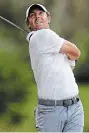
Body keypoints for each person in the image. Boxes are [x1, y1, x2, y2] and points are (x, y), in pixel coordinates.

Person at [25, 4, 84, 132]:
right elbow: (76, 52)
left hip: (75, 107)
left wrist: (62, 49)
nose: (37, 17)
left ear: (49, 18)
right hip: (51, 111)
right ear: (29, 24)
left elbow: (70, 66)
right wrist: (65, 49)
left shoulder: (50, 40)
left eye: (41, 13)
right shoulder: (42, 36)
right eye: (32, 15)